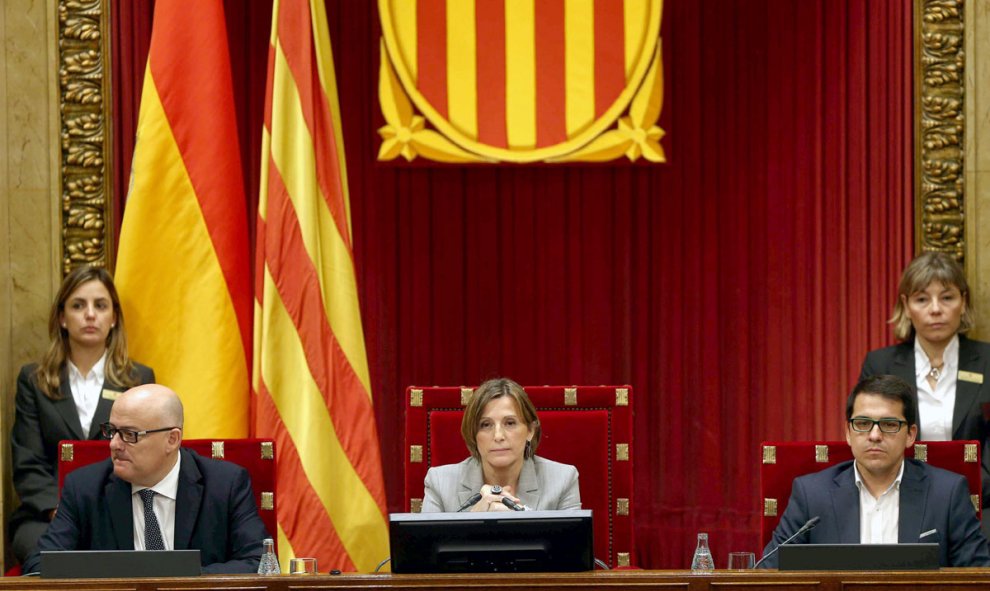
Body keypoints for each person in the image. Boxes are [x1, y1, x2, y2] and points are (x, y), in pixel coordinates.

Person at [21, 384, 268, 574]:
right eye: (112, 431)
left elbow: (259, 562)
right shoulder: (84, 488)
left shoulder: (225, 485)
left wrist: (177, 580)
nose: (114, 444)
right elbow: (39, 565)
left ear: (172, 439)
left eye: (129, 434)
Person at [759, 375, 990, 568]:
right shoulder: (812, 494)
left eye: (889, 425)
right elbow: (771, 573)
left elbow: (978, 576)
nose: (875, 435)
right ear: (848, 433)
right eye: (862, 423)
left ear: (910, 435)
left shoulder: (947, 493)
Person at [10, 265, 155, 565]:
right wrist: (61, 510)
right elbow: (29, 464)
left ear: (113, 317)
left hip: (122, 508)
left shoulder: (138, 379)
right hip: (48, 515)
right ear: (62, 317)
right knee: (43, 558)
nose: (90, 314)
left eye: (100, 306)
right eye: (78, 305)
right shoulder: (34, 380)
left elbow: (149, 456)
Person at [858, 252, 990, 522]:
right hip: (899, 501)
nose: (935, 309)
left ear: (963, 302)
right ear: (906, 306)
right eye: (921, 299)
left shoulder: (987, 361)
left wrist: (962, 495)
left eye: (947, 297)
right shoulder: (880, 363)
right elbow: (868, 436)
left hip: (980, 505)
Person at [421, 377, 581, 512]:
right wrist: (472, 522)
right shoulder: (439, 483)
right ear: (473, 434)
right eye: (485, 425)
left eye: (510, 423)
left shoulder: (562, 480)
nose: (498, 436)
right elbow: (424, 549)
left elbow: (571, 549)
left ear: (530, 431)